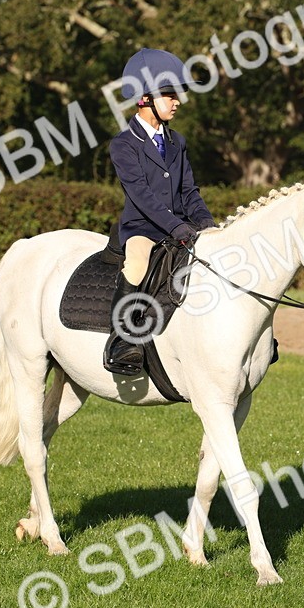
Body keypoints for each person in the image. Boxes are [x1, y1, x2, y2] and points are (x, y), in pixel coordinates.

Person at [104, 48, 217, 376]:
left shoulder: (177, 141)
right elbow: (141, 196)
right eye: (169, 94)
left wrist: (206, 223)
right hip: (143, 227)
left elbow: (189, 192)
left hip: (180, 226)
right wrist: (175, 227)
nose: (177, 100)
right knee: (138, 265)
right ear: (144, 98)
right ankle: (121, 340)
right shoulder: (124, 144)